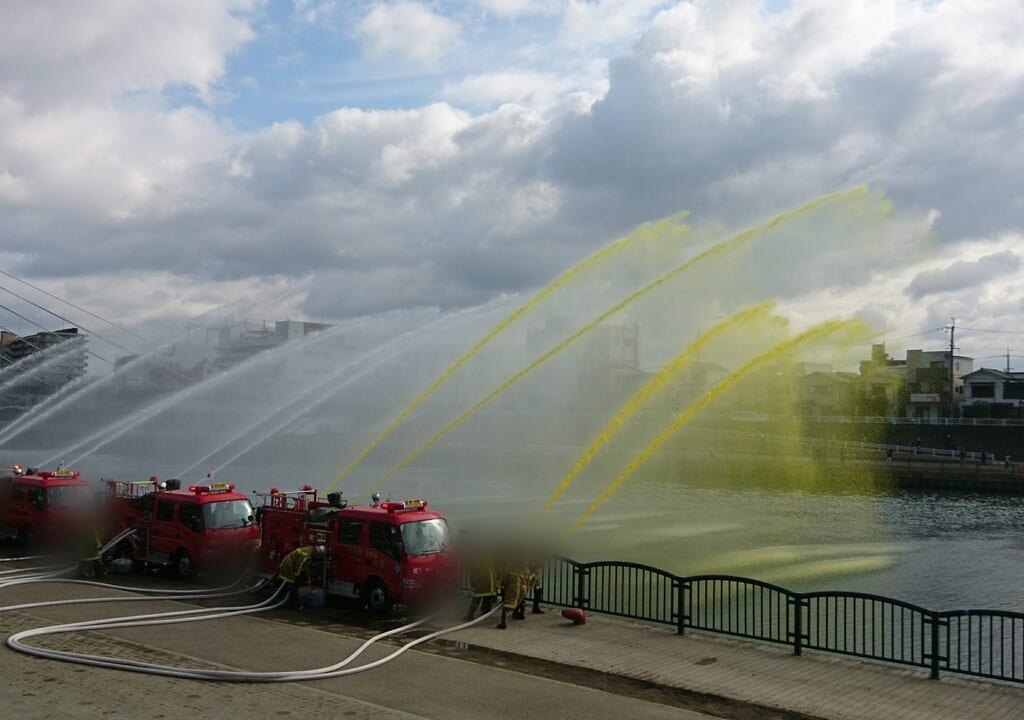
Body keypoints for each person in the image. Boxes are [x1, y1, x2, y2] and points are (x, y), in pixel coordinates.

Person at [495, 557, 529, 629]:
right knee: (521, 601)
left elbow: (505, 581)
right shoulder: (524, 570)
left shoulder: (510, 571)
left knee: (507, 604)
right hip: (523, 589)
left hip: (514, 588)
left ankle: (503, 623)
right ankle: (521, 614)